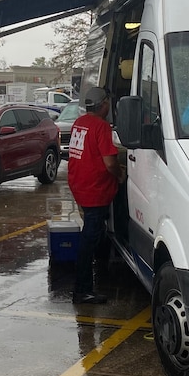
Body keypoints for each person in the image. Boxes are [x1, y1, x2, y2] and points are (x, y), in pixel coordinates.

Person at [66, 85, 124, 305]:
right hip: (95, 190)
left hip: (80, 186)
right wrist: (120, 175)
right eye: (108, 102)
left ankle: (88, 282)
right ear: (104, 105)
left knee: (92, 235)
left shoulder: (79, 124)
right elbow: (110, 162)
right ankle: (82, 291)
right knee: (88, 241)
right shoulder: (101, 126)